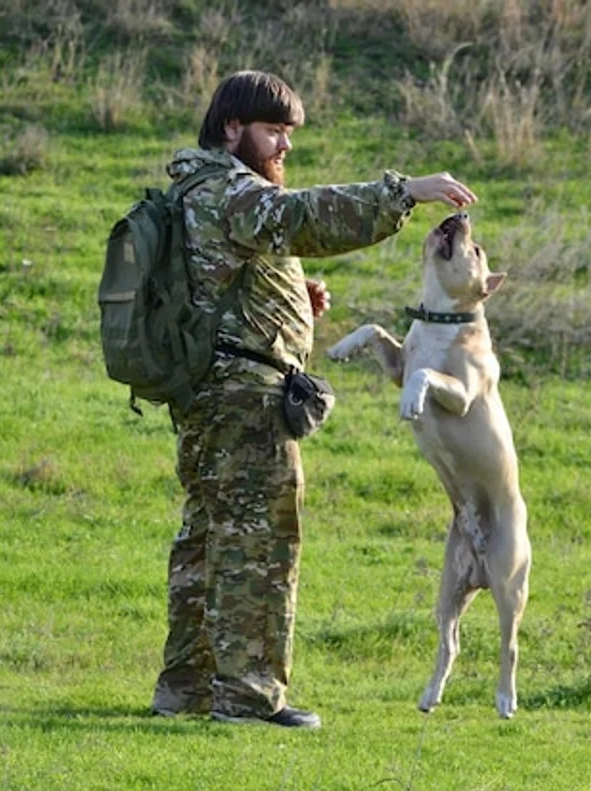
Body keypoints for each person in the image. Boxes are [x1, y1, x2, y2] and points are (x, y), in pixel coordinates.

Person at [150, 70, 476, 729]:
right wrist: (404, 193)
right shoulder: (228, 188)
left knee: (207, 538)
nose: (283, 147)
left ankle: (185, 687)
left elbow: (229, 278)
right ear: (232, 128)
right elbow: (302, 218)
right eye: (273, 131)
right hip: (244, 398)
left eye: (289, 134)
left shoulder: (195, 186)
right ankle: (246, 695)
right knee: (259, 541)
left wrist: (297, 302)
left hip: (209, 390)